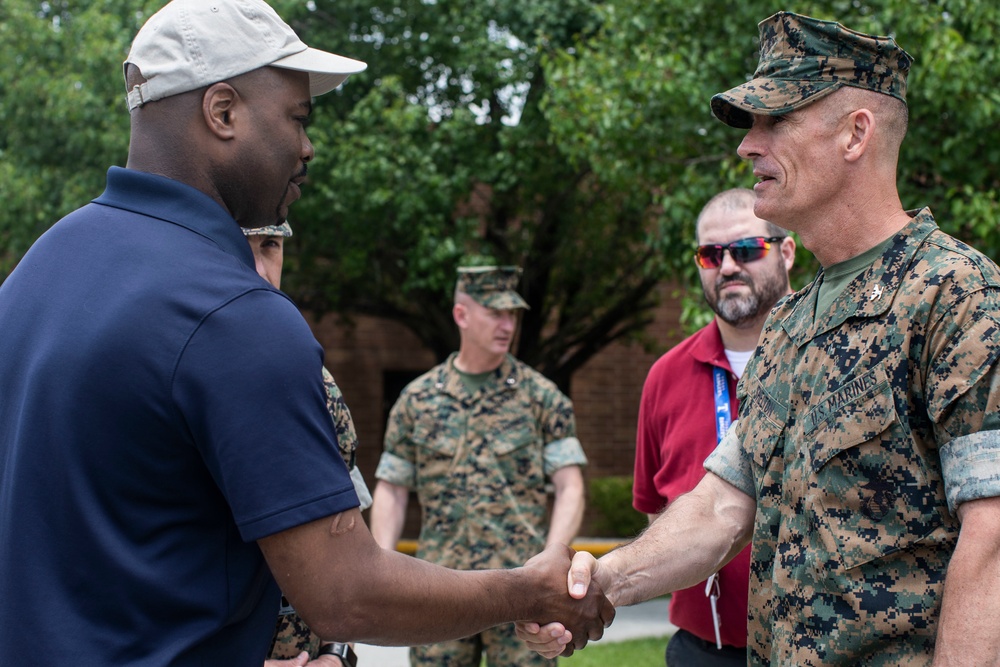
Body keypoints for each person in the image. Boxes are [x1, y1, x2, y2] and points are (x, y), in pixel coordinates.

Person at [0, 2, 614, 665]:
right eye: (297, 118)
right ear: (223, 112)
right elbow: (346, 594)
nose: (307, 146)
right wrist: (529, 590)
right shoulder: (234, 314)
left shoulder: (37, 271)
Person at [518, 11, 1000, 666]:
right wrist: (600, 580)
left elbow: (992, 539)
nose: (748, 145)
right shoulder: (791, 324)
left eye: (775, 120)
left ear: (856, 134)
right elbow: (722, 504)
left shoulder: (959, 296)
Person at [369, 265, 588, 666]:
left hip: (522, 589)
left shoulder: (542, 397)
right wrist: (382, 568)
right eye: (496, 313)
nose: (508, 325)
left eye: (514, 315)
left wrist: (553, 560)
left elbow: (570, 486)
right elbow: (392, 489)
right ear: (462, 315)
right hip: (438, 589)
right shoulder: (417, 401)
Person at [633, 188, 794, 666]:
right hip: (706, 648)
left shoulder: (835, 354)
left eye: (746, 249)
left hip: (818, 647)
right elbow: (654, 510)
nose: (727, 267)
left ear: (786, 251)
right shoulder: (665, 375)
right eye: (711, 254)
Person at [241, 221, 372, 666]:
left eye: (271, 246)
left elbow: (347, 545)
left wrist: (336, 654)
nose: (260, 269)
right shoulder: (169, 376)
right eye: (240, 247)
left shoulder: (317, 384)